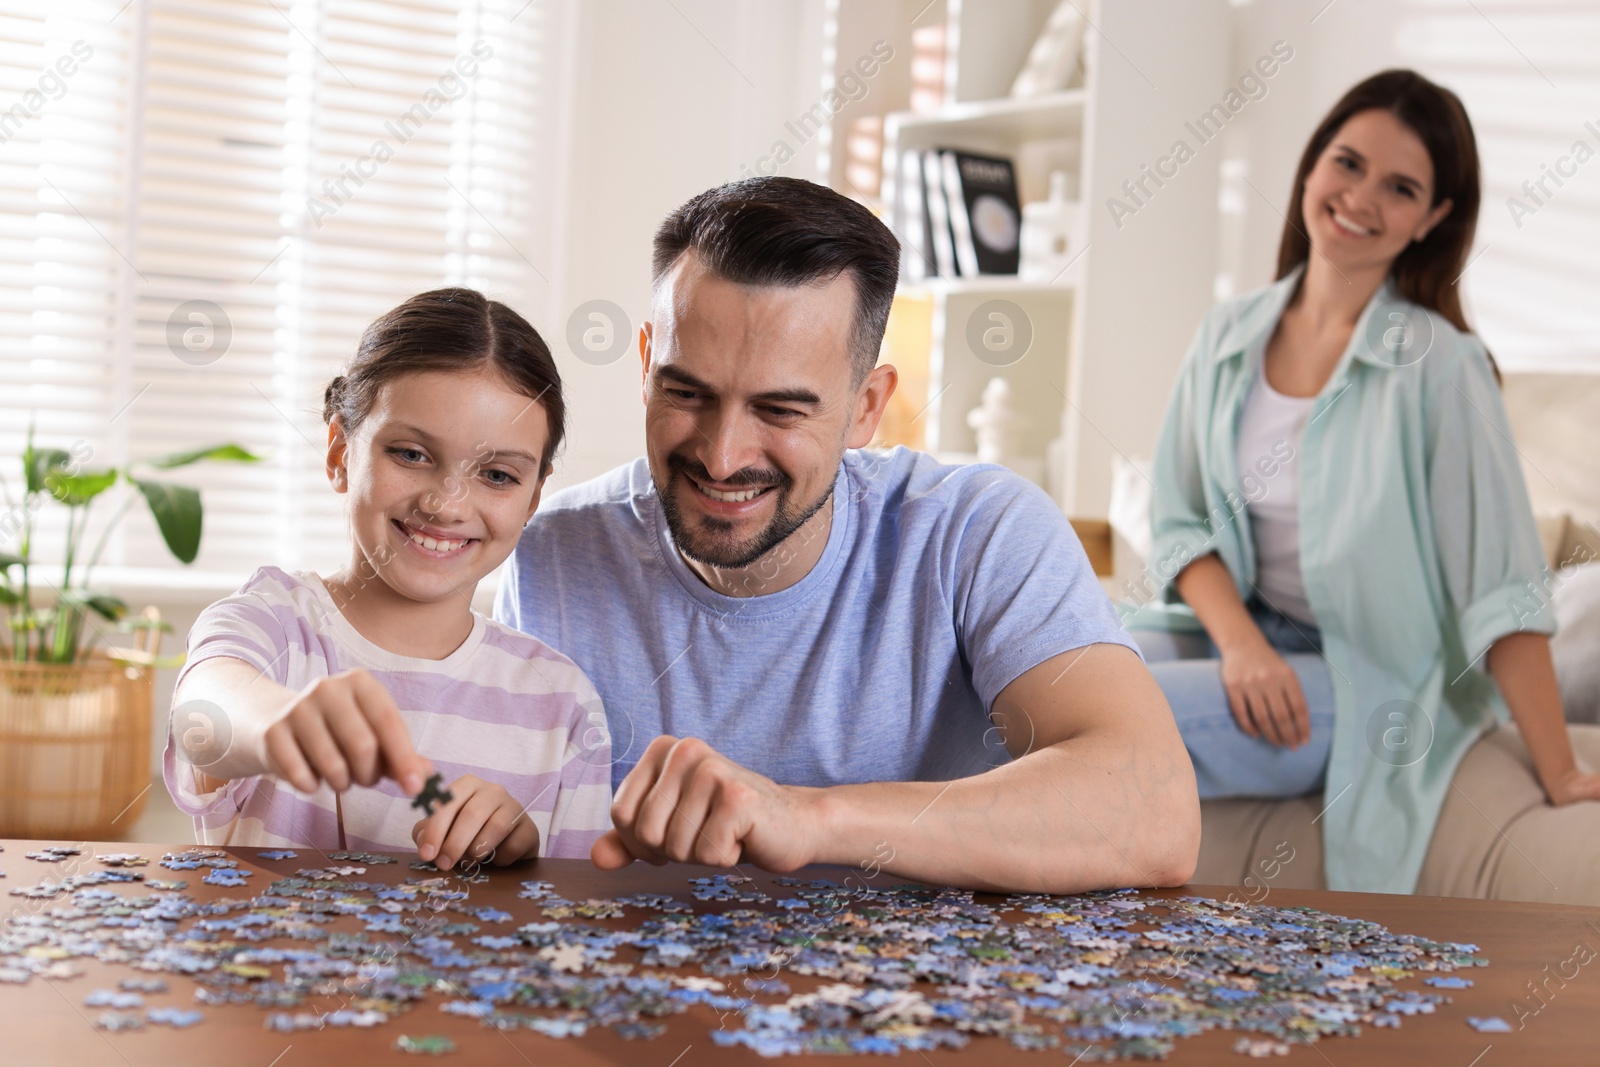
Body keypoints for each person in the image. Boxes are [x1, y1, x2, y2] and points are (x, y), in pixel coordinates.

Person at [496, 176, 1199, 894]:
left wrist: (809, 819)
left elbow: (1155, 811)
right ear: (645, 365)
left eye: (779, 409)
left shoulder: (978, 532)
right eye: (687, 392)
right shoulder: (547, 556)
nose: (722, 453)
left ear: (867, 407)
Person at [1128, 69, 1600, 894]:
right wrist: (1241, 646)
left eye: (1401, 186)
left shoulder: (1443, 369)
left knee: (1118, 717)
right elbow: (1180, 520)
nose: (1361, 197)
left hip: (1374, 678)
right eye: (1347, 163)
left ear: (1434, 218)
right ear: (1312, 167)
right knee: (1050, 662)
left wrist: (1561, 772)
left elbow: (1504, 590)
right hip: (1239, 631)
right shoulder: (1227, 333)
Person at [164, 288, 611, 869]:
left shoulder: (564, 704)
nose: (447, 504)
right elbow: (206, 717)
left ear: (533, 498)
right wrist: (281, 723)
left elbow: (573, 919)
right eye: (412, 454)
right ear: (338, 451)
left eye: (497, 474)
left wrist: (524, 860)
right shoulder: (270, 625)